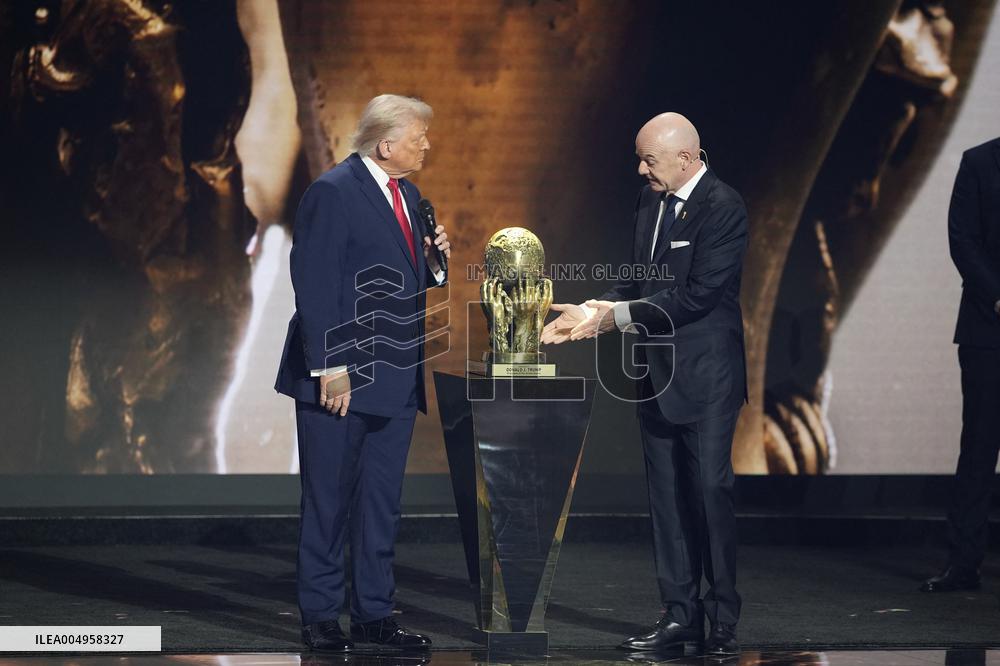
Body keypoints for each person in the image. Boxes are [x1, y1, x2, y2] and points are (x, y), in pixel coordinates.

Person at [542, 112, 748, 656]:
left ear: (686, 158)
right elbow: (638, 279)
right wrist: (593, 309)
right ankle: (679, 616)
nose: (640, 170)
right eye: (640, 159)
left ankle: (722, 619)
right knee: (666, 502)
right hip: (655, 377)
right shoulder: (649, 202)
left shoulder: (723, 207)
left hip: (706, 380)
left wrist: (614, 319)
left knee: (708, 495)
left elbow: (697, 296)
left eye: (649, 160)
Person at [274, 94, 451, 652]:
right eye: (419, 137)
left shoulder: (409, 196)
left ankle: (375, 614)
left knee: (380, 504)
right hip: (341, 377)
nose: (426, 145)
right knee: (328, 501)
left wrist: (434, 260)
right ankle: (321, 617)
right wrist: (331, 365)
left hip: (395, 375)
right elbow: (314, 281)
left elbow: (407, 278)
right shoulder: (332, 191)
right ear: (386, 143)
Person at [922, 137, 1000, 593]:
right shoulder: (980, 161)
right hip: (987, 328)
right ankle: (963, 563)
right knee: (979, 447)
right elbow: (963, 240)